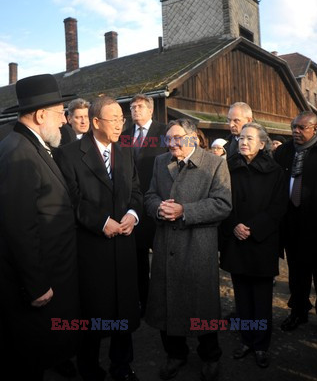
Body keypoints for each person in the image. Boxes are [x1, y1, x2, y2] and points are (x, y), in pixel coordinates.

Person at [56, 96, 143, 381]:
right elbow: (70, 199)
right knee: (91, 313)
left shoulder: (127, 151)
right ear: (95, 122)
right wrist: (100, 222)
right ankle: (89, 368)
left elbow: (136, 192)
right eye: (114, 119)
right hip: (91, 250)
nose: (120, 124)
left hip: (124, 249)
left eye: (122, 119)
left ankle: (122, 366)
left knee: (124, 310)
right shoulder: (68, 154)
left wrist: (132, 213)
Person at [0, 74, 79, 381]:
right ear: (40, 114)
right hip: (33, 286)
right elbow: (18, 227)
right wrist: (35, 284)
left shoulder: (31, 144)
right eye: (61, 114)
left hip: (49, 274)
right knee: (27, 359)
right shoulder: (18, 153)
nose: (64, 122)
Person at [145, 118, 232, 381]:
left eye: (177, 138)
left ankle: (210, 355)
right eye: (167, 139)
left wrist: (186, 211)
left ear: (193, 137)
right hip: (166, 245)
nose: (171, 144)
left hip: (198, 248)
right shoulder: (161, 162)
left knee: (201, 304)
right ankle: (175, 354)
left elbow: (223, 204)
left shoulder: (215, 163)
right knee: (167, 302)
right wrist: (157, 208)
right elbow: (149, 196)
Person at [219, 123, 287, 368]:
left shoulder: (275, 171)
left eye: (250, 138)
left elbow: (279, 206)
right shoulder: (228, 167)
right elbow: (221, 199)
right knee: (242, 298)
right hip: (236, 240)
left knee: (261, 297)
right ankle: (246, 340)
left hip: (261, 243)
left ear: (261, 143)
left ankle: (261, 345)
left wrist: (253, 228)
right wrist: (234, 224)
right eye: (241, 138)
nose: (243, 142)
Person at [122, 94, 167, 316]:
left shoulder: (164, 131)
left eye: (139, 106)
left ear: (150, 110)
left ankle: (164, 299)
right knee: (139, 257)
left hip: (158, 200)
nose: (135, 110)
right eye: (132, 107)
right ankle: (144, 300)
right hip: (135, 203)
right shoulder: (125, 135)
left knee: (162, 254)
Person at [274, 111, 317, 331]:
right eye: (294, 127)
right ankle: (298, 311)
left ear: (315, 128)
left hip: (316, 226)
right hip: (292, 224)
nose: (296, 131)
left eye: (302, 128)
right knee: (297, 274)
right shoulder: (284, 152)